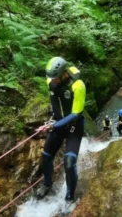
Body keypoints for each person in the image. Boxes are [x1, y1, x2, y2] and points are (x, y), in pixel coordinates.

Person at [36, 57, 86, 202]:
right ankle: (47, 184)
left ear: (64, 74)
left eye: (55, 78)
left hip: (74, 126)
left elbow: (75, 114)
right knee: (46, 155)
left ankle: (70, 196)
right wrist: (53, 120)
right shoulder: (51, 81)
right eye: (50, 78)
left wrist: (52, 125)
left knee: (69, 163)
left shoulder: (78, 85)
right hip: (58, 123)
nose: (52, 81)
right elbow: (55, 101)